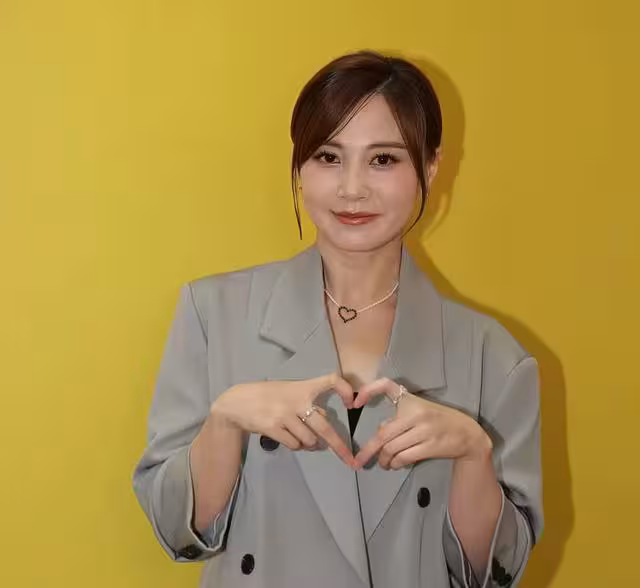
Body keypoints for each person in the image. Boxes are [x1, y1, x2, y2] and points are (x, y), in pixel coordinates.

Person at [132, 50, 543, 588]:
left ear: (430, 166)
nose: (352, 188)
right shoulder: (212, 315)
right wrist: (225, 422)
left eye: (383, 159)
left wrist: (473, 452)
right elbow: (175, 529)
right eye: (328, 156)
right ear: (300, 166)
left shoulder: (496, 359)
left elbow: (496, 573)